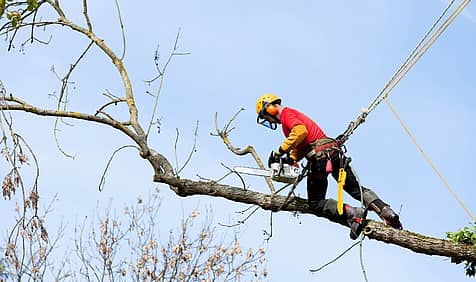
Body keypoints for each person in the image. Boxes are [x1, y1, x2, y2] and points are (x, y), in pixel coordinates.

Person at [255, 94, 402, 239]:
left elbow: (300, 132)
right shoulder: (290, 118)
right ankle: (385, 211)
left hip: (321, 159)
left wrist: (279, 152)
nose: (268, 120)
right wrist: (292, 158)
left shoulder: (287, 114)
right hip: (334, 154)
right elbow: (301, 144)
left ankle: (352, 213)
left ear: (270, 108)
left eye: (265, 116)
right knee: (355, 188)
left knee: (316, 203)